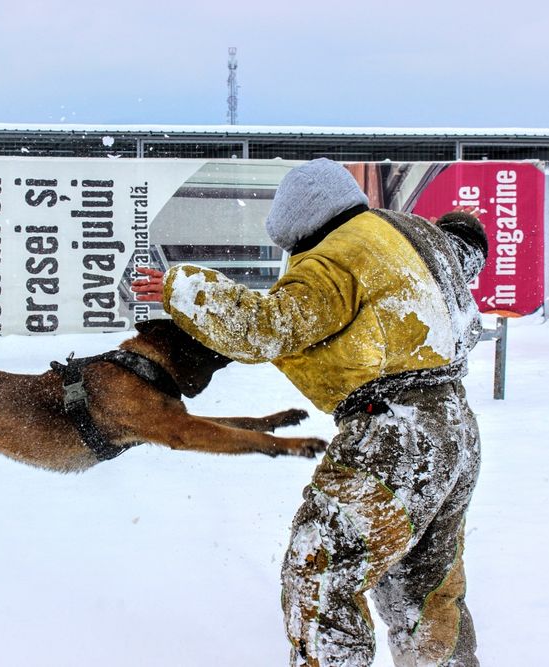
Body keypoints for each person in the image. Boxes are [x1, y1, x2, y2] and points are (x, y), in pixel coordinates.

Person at [131, 158, 487, 667]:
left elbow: (265, 327)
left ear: (299, 229)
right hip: (455, 432)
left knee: (320, 571)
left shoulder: (334, 259)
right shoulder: (406, 233)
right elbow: (466, 248)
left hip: (393, 436)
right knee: (424, 593)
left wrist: (181, 290)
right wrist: (464, 227)